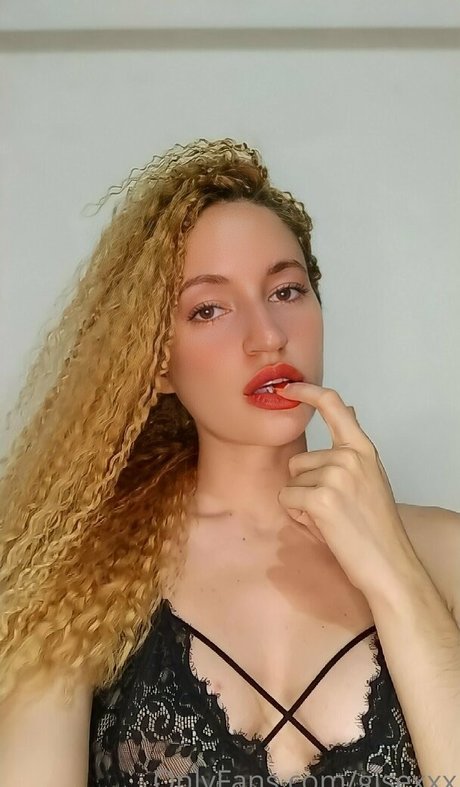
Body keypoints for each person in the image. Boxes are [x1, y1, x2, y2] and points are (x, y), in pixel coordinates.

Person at [1, 138, 459, 787]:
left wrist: (395, 576)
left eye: (287, 290)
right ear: (158, 362)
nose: (267, 335)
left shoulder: (443, 553)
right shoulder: (76, 583)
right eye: (209, 309)